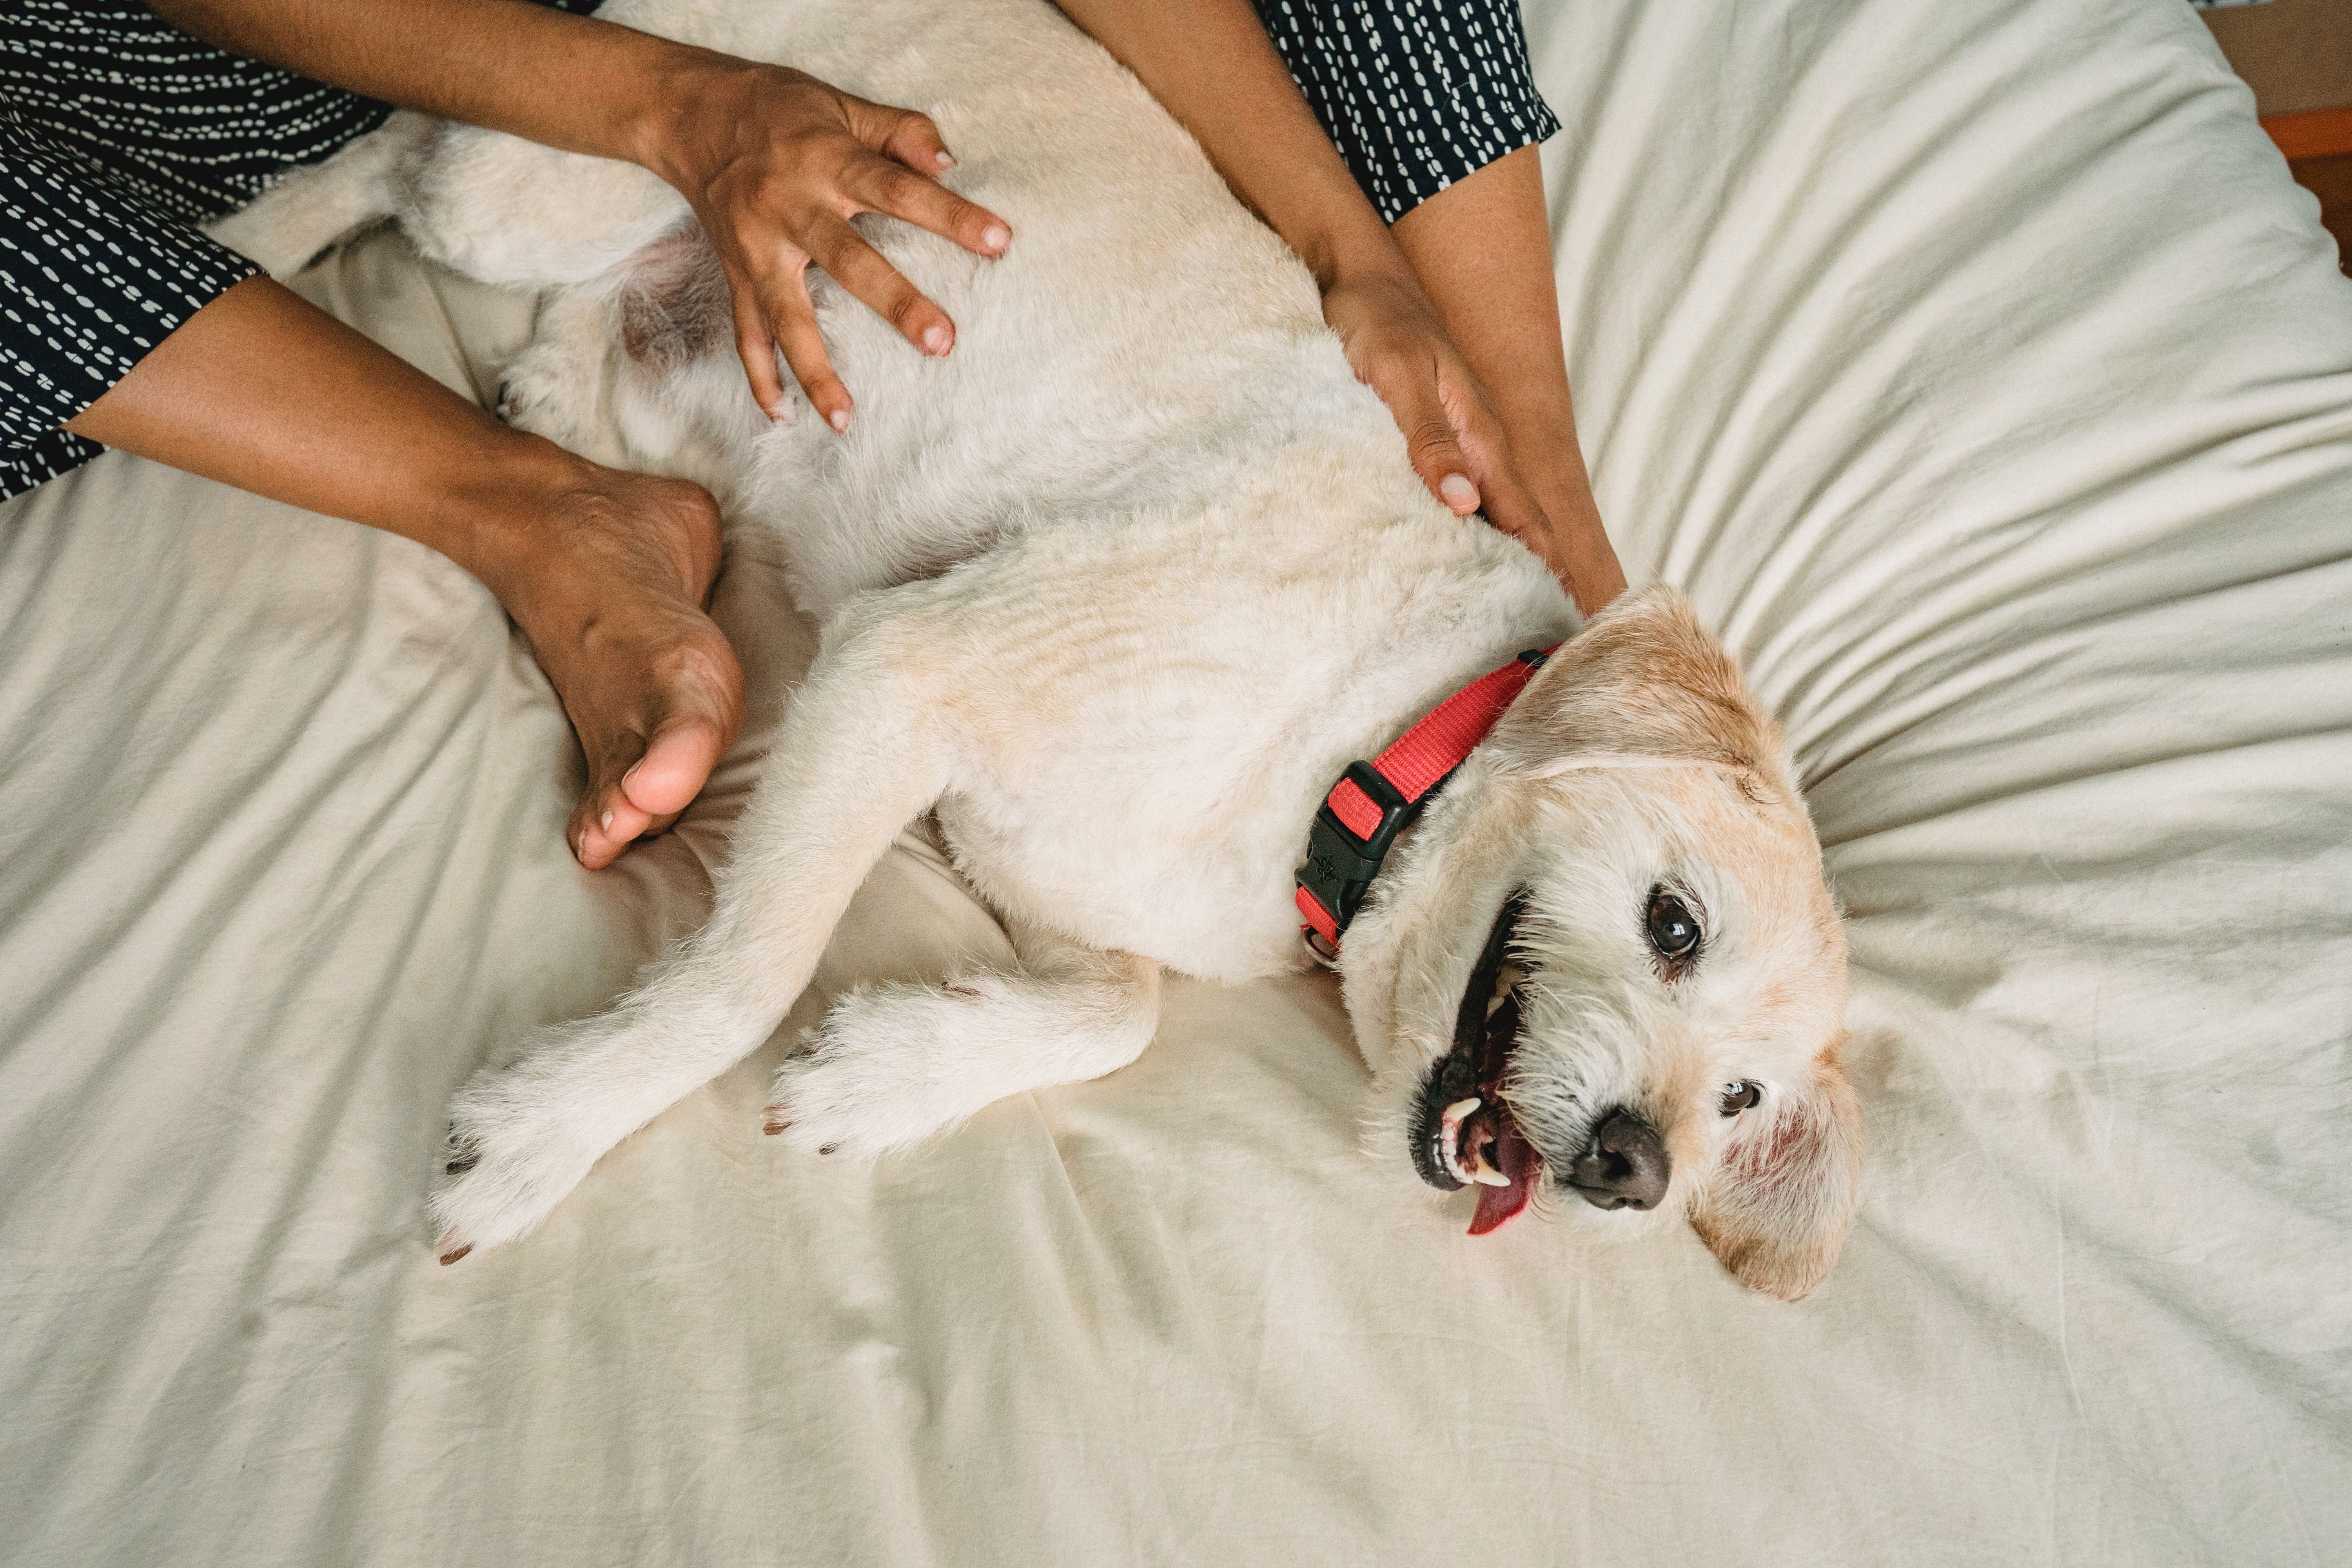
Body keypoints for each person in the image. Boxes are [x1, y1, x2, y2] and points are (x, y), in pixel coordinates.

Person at [0, 0, 1623, 871]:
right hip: (216, 64)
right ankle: (528, 513)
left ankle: (1530, 483)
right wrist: (674, 104)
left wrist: (1356, 261)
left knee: (1467, 408)